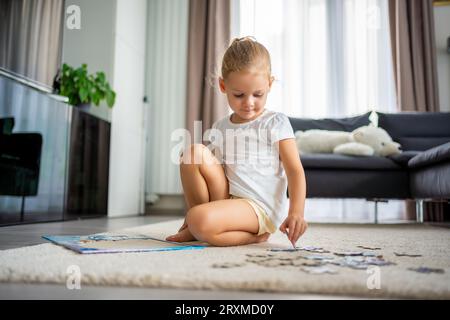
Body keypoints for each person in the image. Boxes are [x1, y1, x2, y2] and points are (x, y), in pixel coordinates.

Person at [166, 37, 308, 247]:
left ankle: (250, 235)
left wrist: (296, 212)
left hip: (258, 206)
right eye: (239, 95)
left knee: (199, 219)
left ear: (269, 84)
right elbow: (215, 171)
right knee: (192, 153)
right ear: (223, 86)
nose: (249, 103)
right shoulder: (221, 125)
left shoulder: (275, 122)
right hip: (228, 199)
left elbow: (295, 170)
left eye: (258, 94)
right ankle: (197, 224)